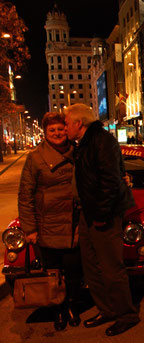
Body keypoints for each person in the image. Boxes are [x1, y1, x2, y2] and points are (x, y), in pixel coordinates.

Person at [64, 104, 140, 337]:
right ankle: (107, 310)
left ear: (79, 123)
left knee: (111, 268)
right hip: (89, 213)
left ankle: (126, 315)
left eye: (67, 123)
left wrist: (102, 216)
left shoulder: (102, 141)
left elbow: (111, 182)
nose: (65, 128)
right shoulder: (84, 143)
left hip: (102, 214)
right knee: (92, 266)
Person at [18, 112, 82, 331]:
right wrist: (30, 229)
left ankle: (72, 306)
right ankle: (59, 310)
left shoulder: (78, 152)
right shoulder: (35, 158)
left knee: (74, 272)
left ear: (67, 129)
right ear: (45, 133)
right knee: (53, 274)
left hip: (74, 225)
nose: (57, 133)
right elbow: (25, 195)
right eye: (51, 130)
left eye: (60, 128)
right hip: (48, 227)